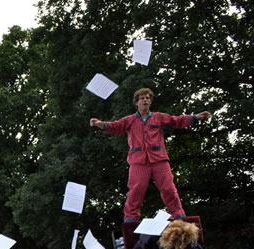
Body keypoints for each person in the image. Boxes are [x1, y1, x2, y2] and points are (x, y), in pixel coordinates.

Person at [89, 88, 212, 221]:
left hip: (159, 159)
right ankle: (131, 219)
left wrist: (195, 117)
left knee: (168, 188)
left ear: (150, 101)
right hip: (139, 161)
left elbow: (176, 120)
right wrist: (101, 124)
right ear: (136, 102)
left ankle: (178, 215)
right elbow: (115, 126)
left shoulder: (158, 117)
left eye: (147, 98)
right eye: (142, 98)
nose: (145, 100)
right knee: (136, 190)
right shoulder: (130, 120)